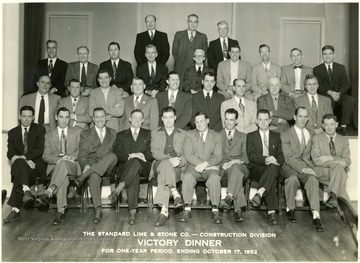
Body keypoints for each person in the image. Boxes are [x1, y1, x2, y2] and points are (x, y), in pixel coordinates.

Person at [281, 107, 324, 231]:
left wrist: (312, 168)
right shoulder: (286, 134)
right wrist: (303, 169)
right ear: (295, 117)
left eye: (305, 117)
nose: (302, 119)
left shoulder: (311, 133)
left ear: (308, 118)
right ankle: (290, 209)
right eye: (300, 116)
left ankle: (316, 216)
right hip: (289, 166)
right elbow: (288, 157)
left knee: (313, 180)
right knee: (292, 179)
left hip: (306, 166)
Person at [110, 109, 154, 225]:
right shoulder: (121, 135)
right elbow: (118, 154)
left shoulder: (149, 133)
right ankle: (133, 212)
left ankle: (119, 188)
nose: (137, 120)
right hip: (127, 168)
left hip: (144, 167)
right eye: (134, 117)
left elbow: (152, 154)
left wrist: (142, 155)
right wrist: (131, 156)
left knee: (136, 161)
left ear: (143, 120)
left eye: (140, 118)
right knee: (133, 168)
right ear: (130, 119)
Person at [3, 106, 46, 223]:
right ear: (19, 116)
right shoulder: (13, 133)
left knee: (19, 165)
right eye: (24, 116)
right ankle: (25, 190)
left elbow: (39, 149)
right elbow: (10, 153)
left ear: (33, 117)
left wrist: (24, 157)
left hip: (35, 167)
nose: (26, 119)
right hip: (21, 167)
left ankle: (16, 210)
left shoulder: (39, 129)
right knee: (20, 165)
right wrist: (24, 160)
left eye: (29, 116)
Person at [39, 107, 82, 225]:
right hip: (56, 167)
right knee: (63, 176)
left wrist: (70, 157)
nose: (64, 120)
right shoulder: (49, 135)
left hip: (73, 165)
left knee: (64, 165)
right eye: (61, 117)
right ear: (56, 117)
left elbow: (81, 151)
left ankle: (50, 190)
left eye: (67, 117)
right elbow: (45, 156)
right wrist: (60, 159)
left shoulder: (77, 132)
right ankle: (60, 211)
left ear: (70, 118)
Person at [75, 107, 118, 224]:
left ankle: (83, 176)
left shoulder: (113, 133)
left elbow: (115, 153)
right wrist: (85, 165)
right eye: (97, 117)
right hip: (93, 165)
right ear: (93, 119)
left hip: (109, 166)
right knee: (94, 176)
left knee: (113, 156)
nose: (100, 119)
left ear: (106, 118)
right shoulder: (85, 133)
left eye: (102, 116)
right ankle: (98, 210)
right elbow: (82, 154)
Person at [181, 112, 223, 224]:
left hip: (210, 167)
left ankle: (215, 210)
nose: (199, 124)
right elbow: (188, 154)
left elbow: (218, 156)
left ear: (207, 121)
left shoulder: (216, 136)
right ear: (194, 123)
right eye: (197, 122)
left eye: (202, 121)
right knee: (187, 177)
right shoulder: (189, 134)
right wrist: (200, 164)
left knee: (214, 177)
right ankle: (186, 209)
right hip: (193, 166)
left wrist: (206, 164)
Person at [246, 109, 284, 225]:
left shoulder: (276, 136)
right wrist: (266, 159)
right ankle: (271, 213)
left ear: (270, 121)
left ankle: (260, 192)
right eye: (260, 120)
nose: (263, 122)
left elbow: (281, 157)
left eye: (266, 120)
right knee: (270, 177)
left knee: (271, 169)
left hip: (272, 167)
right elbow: (251, 156)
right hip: (257, 168)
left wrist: (275, 160)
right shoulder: (251, 136)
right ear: (256, 121)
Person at [150, 107, 187, 226]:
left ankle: (164, 211)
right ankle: (175, 193)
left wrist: (180, 162)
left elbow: (187, 154)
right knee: (165, 164)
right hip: (159, 164)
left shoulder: (183, 133)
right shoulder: (155, 132)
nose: (168, 120)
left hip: (177, 167)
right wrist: (170, 159)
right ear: (162, 119)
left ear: (175, 118)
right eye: (165, 117)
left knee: (164, 175)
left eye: (171, 117)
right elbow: (155, 152)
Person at [311, 114, 351, 209]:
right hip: (322, 173)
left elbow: (347, 160)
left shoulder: (343, 140)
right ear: (323, 126)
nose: (329, 127)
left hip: (336, 173)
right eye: (326, 124)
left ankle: (333, 197)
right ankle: (352, 216)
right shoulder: (316, 139)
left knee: (338, 171)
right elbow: (316, 160)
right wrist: (337, 161)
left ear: (336, 125)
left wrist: (331, 158)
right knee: (339, 170)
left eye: (332, 124)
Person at [313, 45, 354, 136]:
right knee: (328, 99)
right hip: (325, 94)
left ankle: (343, 126)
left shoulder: (341, 68)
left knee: (350, 100)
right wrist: (330, 92)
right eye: (325, 54)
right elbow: (318, 85)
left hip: (339, 93)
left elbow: (346, 84)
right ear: (322, 55)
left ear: (334, 55)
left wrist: (338, 93)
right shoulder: (317, 69)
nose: (327, 56)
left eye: (330, 54)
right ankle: (329, 127)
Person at [219, 108, 249, 222]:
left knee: (236, 169)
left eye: (231, 120)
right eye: (226, 119)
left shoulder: (243, 136)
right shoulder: (217, 135)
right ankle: (238, 210)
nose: (228, 122)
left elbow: (246, 157)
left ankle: (229, 196)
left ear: (236, 121)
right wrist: (222, 164)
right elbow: (214, 155)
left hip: (240, 166)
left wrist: (237, 161)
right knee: (236, 176)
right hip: (224, 167)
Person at [172, 14, 208, 81]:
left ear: (198, 23)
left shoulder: (203, 37)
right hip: (181, 68)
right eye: (190, 21)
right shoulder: (179, 35)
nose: (193, 24)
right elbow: (175, 51)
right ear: (187, 22)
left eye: (195, 22)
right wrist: (181, 63)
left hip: (196, 68)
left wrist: (198, 64)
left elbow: (205, 53)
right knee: (181, 88)